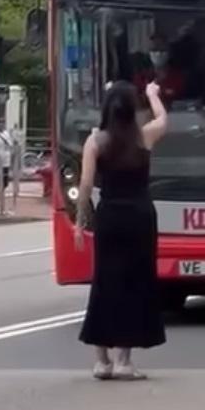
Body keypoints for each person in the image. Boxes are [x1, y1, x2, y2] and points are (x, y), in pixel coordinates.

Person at [74, 80, 168, 380]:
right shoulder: (144, 137)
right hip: (141, 216)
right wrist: (153, 95)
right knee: (134, 283)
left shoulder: (96, 142)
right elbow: (164, 120)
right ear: (132, 109)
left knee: (105, 280)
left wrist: (79, 221)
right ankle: (124, 360)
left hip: (110, 216)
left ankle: (101, 360)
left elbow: (86, 185)